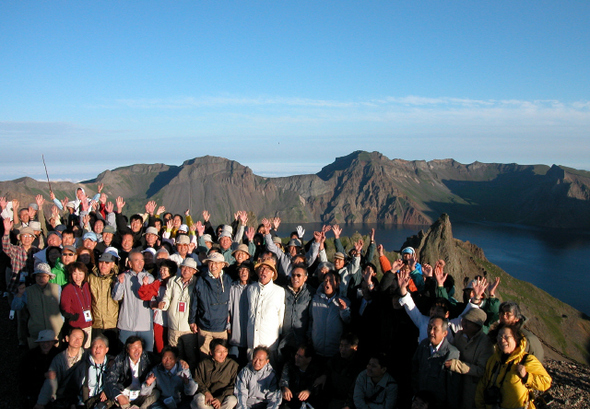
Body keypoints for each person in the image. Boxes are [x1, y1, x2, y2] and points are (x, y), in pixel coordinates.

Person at [475, 324, 551, 409]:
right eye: (499, 336)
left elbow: (546, 382)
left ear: (516, 338)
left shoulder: (527, 360)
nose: (502, 340)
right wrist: (480, 405)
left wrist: (526, 376)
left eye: (506, 337)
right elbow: (483, 384)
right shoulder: (493, 360)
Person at [445, 308, 494, 409]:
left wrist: (457, 365)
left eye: (469, 322)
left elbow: (481, 370)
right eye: (464, 320)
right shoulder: (459, 335)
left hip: (472, 390)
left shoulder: (485, 344)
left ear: (477, 326)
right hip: (455, 384)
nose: (464, 324)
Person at [189, 252, 233, 356]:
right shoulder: (201, 279)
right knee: (204, 356)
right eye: (211, 263)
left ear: (222, 265)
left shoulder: (228, 280)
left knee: (220, 356)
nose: (213, 266)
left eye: (217, 263)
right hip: (204, 326)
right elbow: (195, 301)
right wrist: (192, 320)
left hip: (221, 327)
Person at [11, 263, 63, 349]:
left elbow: (62, 306)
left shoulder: (57, 288)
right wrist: (19, 294)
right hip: (36, 333)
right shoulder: (28, 291)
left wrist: (61, 321)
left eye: (45, 276)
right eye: (38, 276)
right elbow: (16, 307)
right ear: (34, 277)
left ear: (49, 277)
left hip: (55, 332)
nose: (41, 278)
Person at [412, 317, 460, 409]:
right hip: (421, 401)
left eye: (435, 329)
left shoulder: (451, 353)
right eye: (429, 328)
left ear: (445, 333)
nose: (431, 332)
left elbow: (452, 386)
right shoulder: (424, 345)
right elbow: (415, 368)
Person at [158, 257, 199, 368]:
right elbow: (167, 297)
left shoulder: (197, 283)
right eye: (184, 267)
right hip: (173, 325)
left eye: (189, 269)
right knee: (175, 356)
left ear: (194, 271)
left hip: (188, 328)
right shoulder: (172, 281)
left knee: (191, 356)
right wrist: (163, 304)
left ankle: (190, 380)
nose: (186, 270)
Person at [112, 250, 155, 352]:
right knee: (124, 353)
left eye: (142, 260)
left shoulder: (149, 278)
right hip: (127, 324)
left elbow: (152, 298)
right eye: (136, 260)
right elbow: (116, 297)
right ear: (130, 263)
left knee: (147, 354)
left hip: (145, 325)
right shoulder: (124, 277)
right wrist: (120, 283)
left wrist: (145, 285)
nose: (140, 263)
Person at [35, 327, 86, 409]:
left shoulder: (87, 355)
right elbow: (51, 380)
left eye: (80, 338)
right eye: (74, 337)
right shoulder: (59, 358)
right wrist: (41, 403)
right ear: (67, 338)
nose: (77, 340)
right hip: (62, 395)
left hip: (81, 395)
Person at [245, 260, 285, 361]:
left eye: (267, 269)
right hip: (252, 338)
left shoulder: (279, 291)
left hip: (269, 340)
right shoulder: (251, 289)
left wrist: (279, 333)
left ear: (272, 274)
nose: (264, 271)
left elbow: (281, 316)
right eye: (261, 269)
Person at [104, 335, 159, 409]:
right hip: (125, 394)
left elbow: (163, 360)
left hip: (141, 393)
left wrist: (179, 361)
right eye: (133, 348)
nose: (137, 350)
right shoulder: (120, 359)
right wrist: (119, 396)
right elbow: (110, 381)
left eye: (139, 347)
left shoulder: (147, 357)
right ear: (127, 349)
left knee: (156, 393)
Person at [314, 332, 365, 409]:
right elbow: (328, 368)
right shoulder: (336, 359)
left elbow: (356, 390)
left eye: (346, 346)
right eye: (341, 345)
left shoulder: (359, 366)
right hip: (332, 398)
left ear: (355, 347)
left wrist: (348, 405)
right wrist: (324, 375)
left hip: (347, 401)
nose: (343, 349)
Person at [308, 271, 351, 358]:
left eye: (331, 280)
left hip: (334, 352)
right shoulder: (315, 299)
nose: (327, 283)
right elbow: (310, 320)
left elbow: (348, 321)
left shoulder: (344, 301)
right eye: (325, 280)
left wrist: (343, 310)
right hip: (316, 350)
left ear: (337, 284)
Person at [279, 264, 315, 361]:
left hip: (301, 339)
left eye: (299, 275)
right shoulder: (283, 291)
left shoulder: (310, 293)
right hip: (284, 338)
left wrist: (309, 335)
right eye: (293, 275)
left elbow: (312, 317)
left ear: (305, 278)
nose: (295, 278)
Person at [88, 251, 121, 355]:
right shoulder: (91, 278)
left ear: (112, 264)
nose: (103, 265)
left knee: (112, 354)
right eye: (101, 262)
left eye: (107, 263)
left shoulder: (117, 279)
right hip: (96, 323)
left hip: (112, 323)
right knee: (96, 353)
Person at [68, 335, 114, 408]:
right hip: (86, 403)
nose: (97, 349)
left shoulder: (112, 365)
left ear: (106, 350)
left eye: (101, 346)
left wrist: (108, 390)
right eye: (95, 346)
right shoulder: (83, 366)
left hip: (106, 403)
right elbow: (72, 388)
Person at [193, 338, 239, 409]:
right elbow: (197, 381)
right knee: (198, 400)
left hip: (223, 397)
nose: (222, 355)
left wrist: (220, 398)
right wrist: (206, 393)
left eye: (225, 351)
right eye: (219, 352)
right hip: (207, 396)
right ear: (211, 352)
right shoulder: (203, 364)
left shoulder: (232, 365)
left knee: (232, 400)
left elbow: (233, 385)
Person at [20, 330, 60, 409]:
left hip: (54, 393)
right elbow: (24, 375)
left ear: (53, 342)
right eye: (43, 342)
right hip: (34, 392)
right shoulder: (30, 356)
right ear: (39, 343)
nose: (45, 344)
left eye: (48, 342)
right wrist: (43, 375)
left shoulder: (59, 355)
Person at [61, 261, 93, 348]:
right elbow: (65, 308)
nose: (77, 277)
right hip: (76, 326)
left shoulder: (87, 285)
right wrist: (73, 317)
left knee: (86, 350)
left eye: (80, 273)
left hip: (88, 324)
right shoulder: (68, 288)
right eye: (75, 274)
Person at [228, 261, 255, 366]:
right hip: (236, 330)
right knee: (234, 359)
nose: (243, 272)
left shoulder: (254, 287)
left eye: (246, 270)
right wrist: (228, 325)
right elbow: (228, 308)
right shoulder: (233, 287)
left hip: (250, 331)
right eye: (241, 270)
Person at [279, 344, 322, 409]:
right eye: (296, 355)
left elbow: (317, 387)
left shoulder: (315, 370)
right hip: (291, 401)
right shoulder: (289, 365)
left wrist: (308, 391)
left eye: (300, 357)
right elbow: (284, 379)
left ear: (308, 359)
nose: (297, 358)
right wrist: (285, 388)